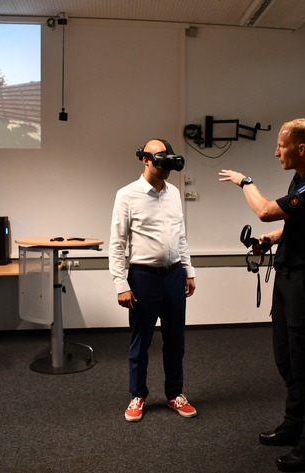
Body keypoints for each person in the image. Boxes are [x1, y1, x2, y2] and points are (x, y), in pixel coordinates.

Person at [219, 118, 305, 472]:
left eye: (280, 146)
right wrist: (271, 239)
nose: (276, 152)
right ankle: (293, 423)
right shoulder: (301, 179)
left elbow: (266, 210)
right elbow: (293, 221)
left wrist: (246, 182)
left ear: (301, 148)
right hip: (287, 280)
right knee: (286, 359)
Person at [109, 138, 197, 423]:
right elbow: (117, 243)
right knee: (141, 341)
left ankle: (174, 394)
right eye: (160, 157)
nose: (166, 164)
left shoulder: (173, 193)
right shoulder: (127, 194)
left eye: (168, 158)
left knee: (175, 340)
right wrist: (121, 284)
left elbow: (180, 236)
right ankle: (138, 395)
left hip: (173, 276)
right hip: (143, 278)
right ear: (145, 159)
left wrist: (189, 270)